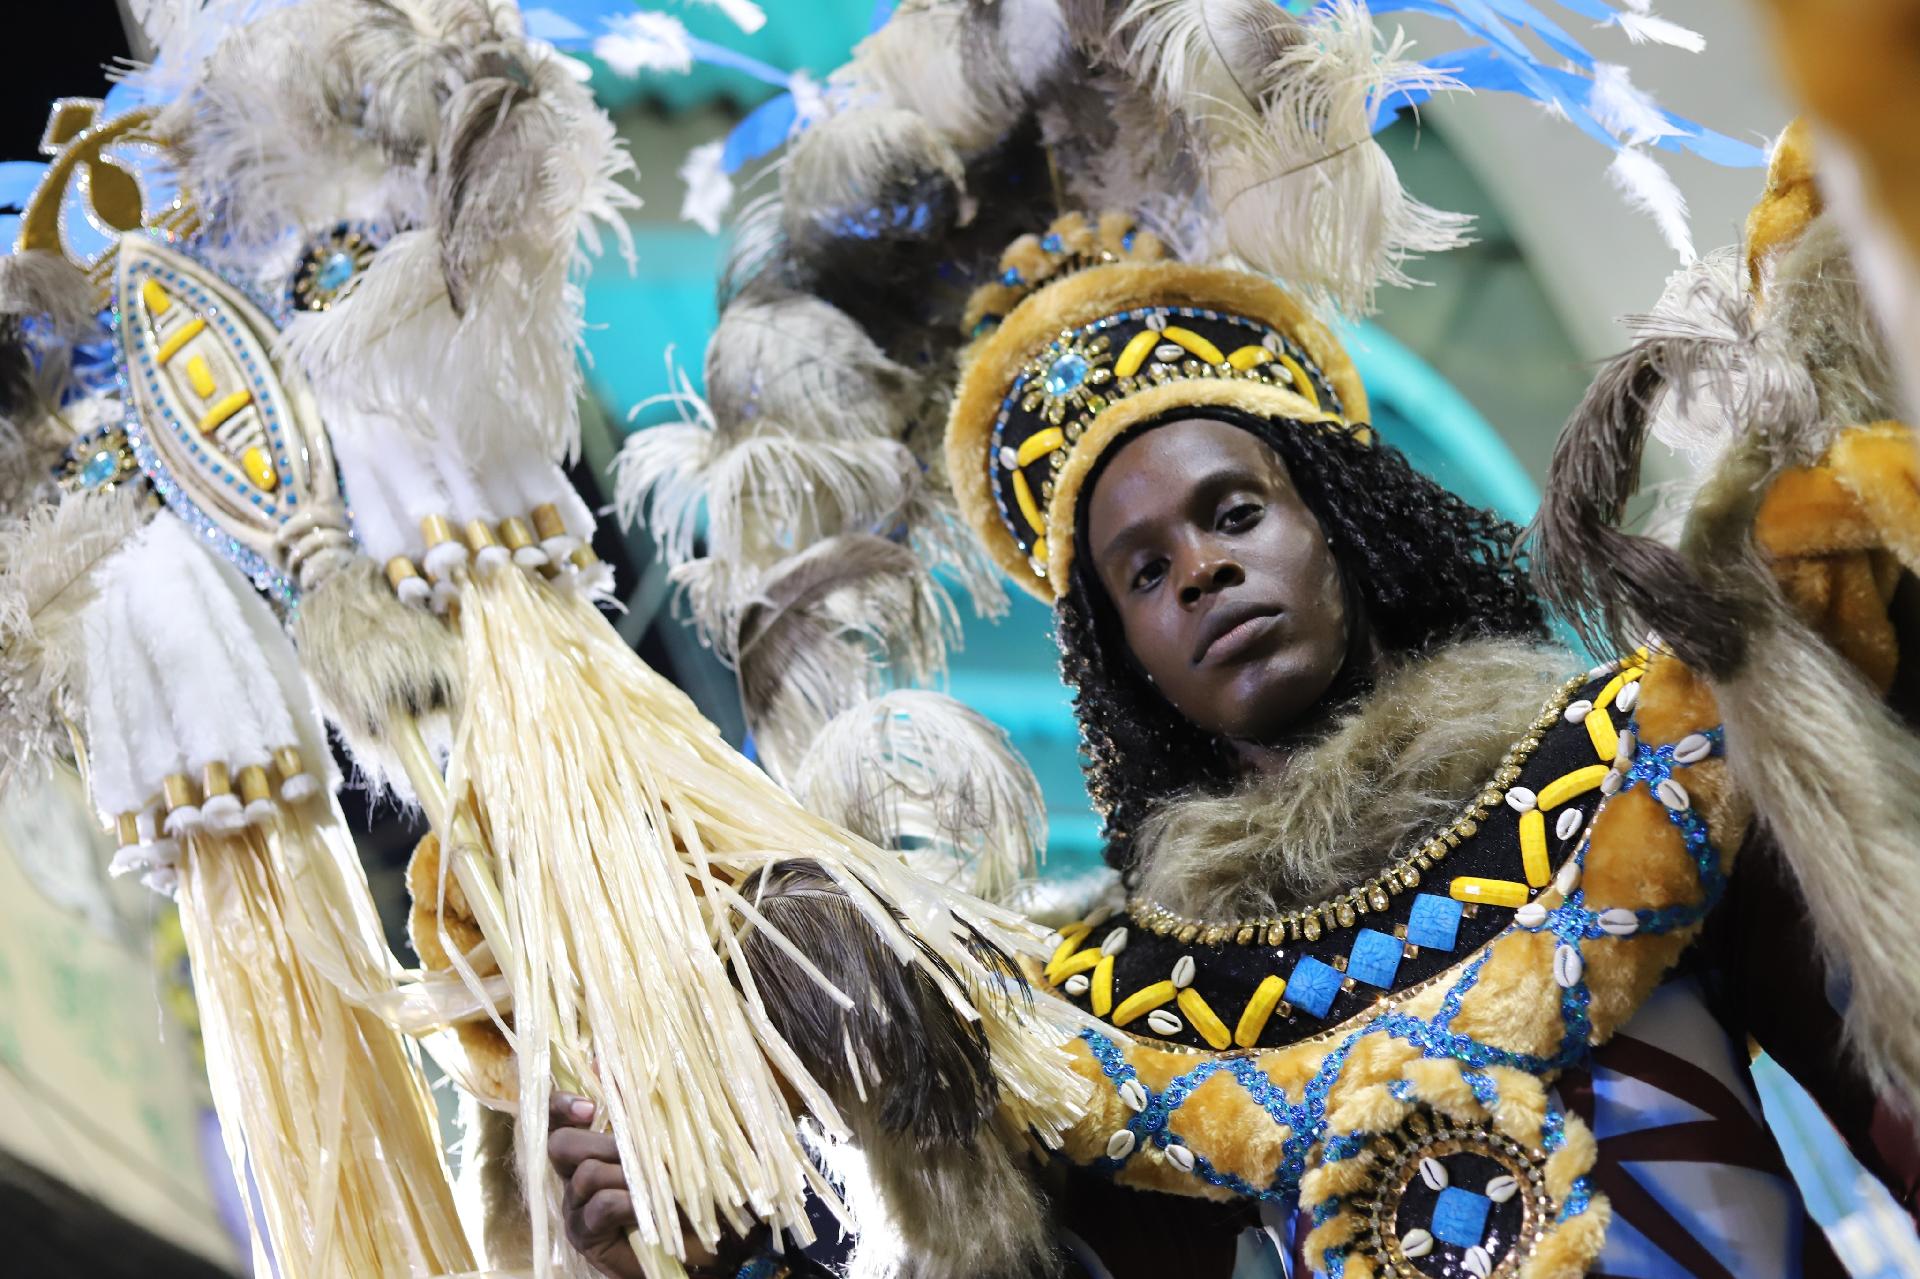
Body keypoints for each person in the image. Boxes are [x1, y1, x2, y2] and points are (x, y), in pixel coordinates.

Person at [550, 171, 1920, 1276]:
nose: (1200, 570)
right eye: (1141, 573)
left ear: (1342, 524)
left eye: (1234, 512)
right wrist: (717, 1242)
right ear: (1125, 656)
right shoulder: (1122, 1013)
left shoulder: (1642, 762)